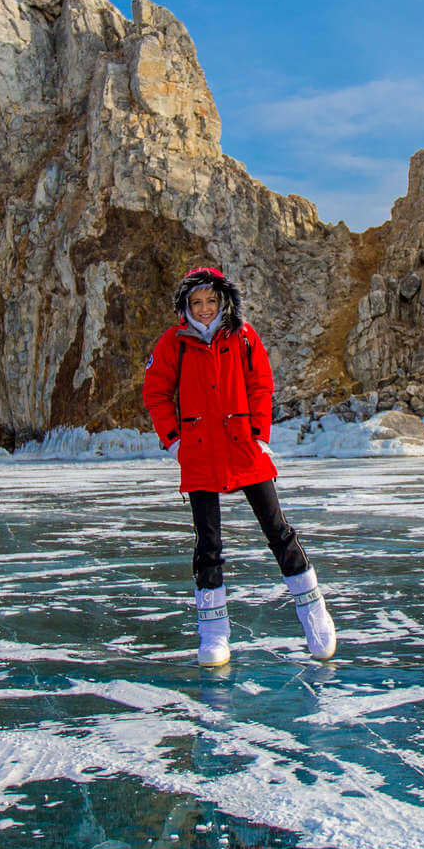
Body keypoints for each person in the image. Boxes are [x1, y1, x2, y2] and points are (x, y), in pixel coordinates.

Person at [142, 265, 337, 666]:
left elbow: (261, 383)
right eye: (196, 303)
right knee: (208, 543)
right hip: (198, 449)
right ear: (185, 307)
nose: (205, 309)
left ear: (223, 301)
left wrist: (261, 434)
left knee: (278, 529)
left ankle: (313, 610)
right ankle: (213, 633)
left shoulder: (244, 337)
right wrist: (174, 441)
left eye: (211, 301)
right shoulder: (172, 343)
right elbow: (156, 392)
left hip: (244, 446)